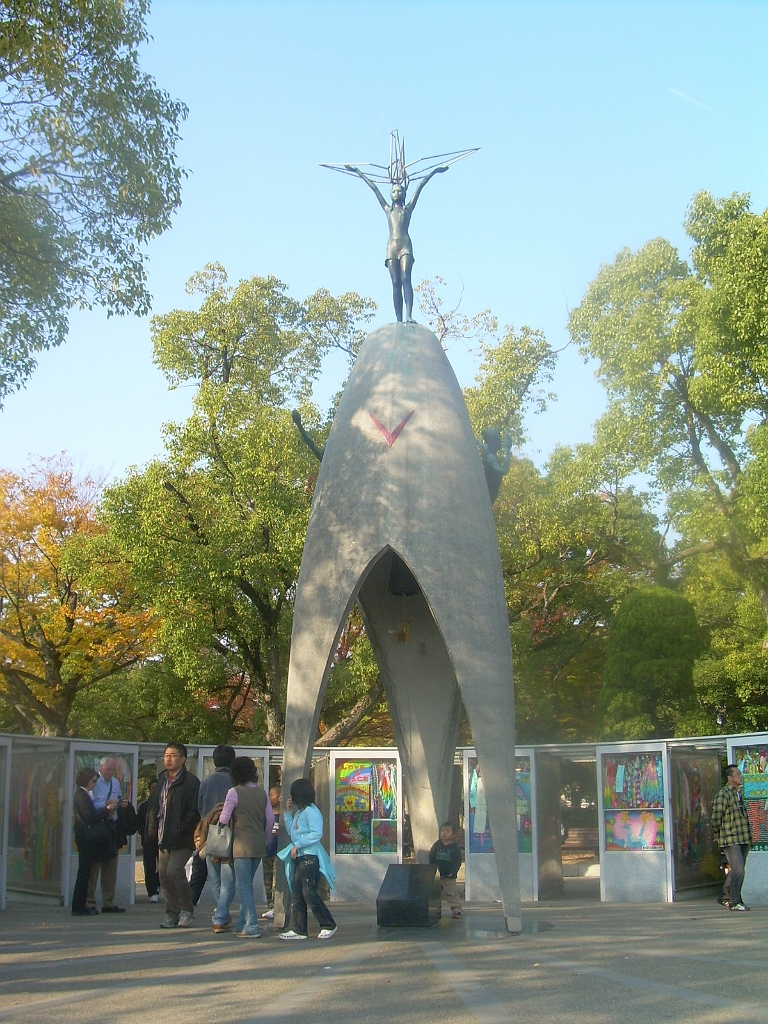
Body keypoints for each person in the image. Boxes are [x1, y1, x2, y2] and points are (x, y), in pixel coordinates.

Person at [344, 163, 448, 323]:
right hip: (391, 248)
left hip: (405, 246)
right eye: (393, 190)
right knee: (395, 282)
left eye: (399, 190)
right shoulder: (388, 210)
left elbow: (421, 186)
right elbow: (374, 188)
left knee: (406, 277)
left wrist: (434, 171)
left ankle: (408, 316)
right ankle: (399, 320)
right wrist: (358, 171)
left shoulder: (407, 209)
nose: (396, 192)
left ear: (404, 193)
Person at [211, 756, 272, 937]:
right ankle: (241, 923)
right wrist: (266, 840)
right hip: (258, 844)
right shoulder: (262, 793)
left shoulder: (234, 792)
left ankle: (252, 925)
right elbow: (269, 820)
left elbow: (223, 818)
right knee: (248, 884)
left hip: (240, 844)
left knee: (244, 887)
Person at [145, 743, 201, 929]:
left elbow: (194, 811)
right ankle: (172, 913)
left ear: (183, 759)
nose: (168, 759)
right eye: (166, 755)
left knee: (174, 871)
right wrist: (151, 831)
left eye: (173, 755)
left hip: (182, 838)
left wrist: (182, 827)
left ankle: (187, 909)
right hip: (163, 837)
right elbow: (154, 808)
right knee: (164, 877)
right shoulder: (161, 781)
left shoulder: (191, 782)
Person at [279, 778, 337, 940]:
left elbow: (316, 833)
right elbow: (293, 831)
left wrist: (298, 844)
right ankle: (299, 929)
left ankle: (328, 924)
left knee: (309, 892)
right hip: (301, 856)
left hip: (310, 856)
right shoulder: (300, 812)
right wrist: (288, 813)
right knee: (297, 893)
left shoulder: (312, 811)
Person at [191, 744, 235, 909]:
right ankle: (222, 911)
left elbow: (200, 808)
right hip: (231, 832)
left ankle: (220, 911)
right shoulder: (235, 781)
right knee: (228, 876)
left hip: (209, 833)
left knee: (214, 876)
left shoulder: (206, 781)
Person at [72, 767, 120, 916]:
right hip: (86, 838)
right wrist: (106, 810)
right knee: (84, 872)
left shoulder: (85, 794)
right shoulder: (82, 795)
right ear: (86, 780)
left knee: (86, 872)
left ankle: (81, 905)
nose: (95, 784)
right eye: (93, 781)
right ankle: (79, 906)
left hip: (85, 837)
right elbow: (90, 816)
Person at [85, 756, 126, 914]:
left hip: (111, 827)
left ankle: (108, 902)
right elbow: (91, 805)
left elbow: (119, 798)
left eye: (112, 770)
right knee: (95, 867)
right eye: (108, 769)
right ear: (101, 768)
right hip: (98, 826)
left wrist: (121, 803)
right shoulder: (94, 783)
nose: (110, 772)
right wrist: (107, 804)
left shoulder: (115, 783)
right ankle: (89, 901)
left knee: (111, 866)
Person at [711, 764, 752, 911]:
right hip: (730, 838)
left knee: (736, 870)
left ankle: (724, 896)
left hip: (743, 837)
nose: (741, 777)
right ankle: (735, 901)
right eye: (738, 774)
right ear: (730, 778)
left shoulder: (739, 793)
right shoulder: (724, 794)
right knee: (739, 870)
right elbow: (716, 817)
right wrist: (718, 833)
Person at [429, 821, 463, 918]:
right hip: (437, 875)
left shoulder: (454, 848)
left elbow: (457, 861)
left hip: (449, 876)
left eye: (447, 831)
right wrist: (432, 869)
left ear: (453, 834)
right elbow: (431, 856)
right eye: (443, 831)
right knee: (435, 893)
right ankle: (435, 909)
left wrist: (453, 872)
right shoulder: (437, 845)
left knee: (451, 893)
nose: (444, 833)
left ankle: (456, 908)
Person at [137, 779, 161, 902]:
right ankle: (152, 892)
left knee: (164, 867)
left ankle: (159, 885)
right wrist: (145, 834)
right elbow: (139, 823)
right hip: (148, 841)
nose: (154, 790)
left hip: (162, 841)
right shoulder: (144, 806)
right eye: (152, 788)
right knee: (149, 866)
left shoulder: (165, 804)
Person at [261, 785, 281, 920]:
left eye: (272, 795)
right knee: (267, 881)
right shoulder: (267, 816)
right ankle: (270, 905)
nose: (269, 797)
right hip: (267, 852)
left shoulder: (284, 815)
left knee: (276, 882)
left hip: (279, 853)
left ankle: (276, 907)